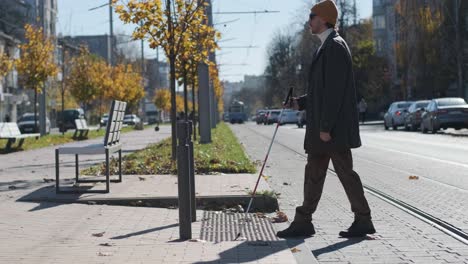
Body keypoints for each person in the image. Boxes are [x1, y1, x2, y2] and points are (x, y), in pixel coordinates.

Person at [277, 0, 376, 238]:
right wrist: (299, 102)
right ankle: (304, 221)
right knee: (314, 173)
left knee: (344, 173)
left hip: (332, 130)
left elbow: (335, 93)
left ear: (323, 19)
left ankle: (363, 220)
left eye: (312, 16)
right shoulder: (325, 47)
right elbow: (322, 92)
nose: (309, 20)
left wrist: (325, 127)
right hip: (325, 130)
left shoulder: (335, 47)